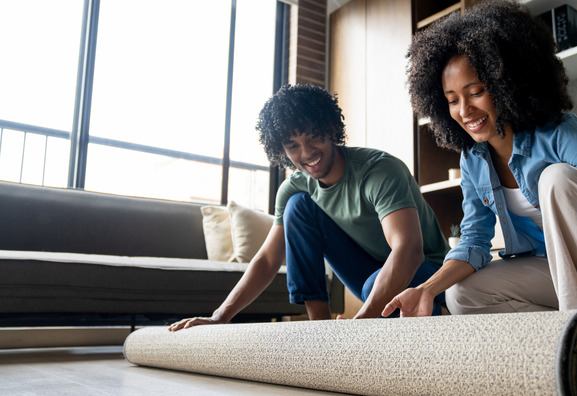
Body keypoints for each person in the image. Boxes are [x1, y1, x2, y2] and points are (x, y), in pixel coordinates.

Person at [382, 0, 577, 361]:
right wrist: (427, 290)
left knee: (555, 178)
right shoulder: (473, 158)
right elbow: (474, 242)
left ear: (506, 81)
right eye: (452, 100)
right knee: (463, 295)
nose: (465, 111)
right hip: (568, 277)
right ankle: (564, 349)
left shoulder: (560, 132)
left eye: (475, 92)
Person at [170, 84, 448, 330]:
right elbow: (267, 261)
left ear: (330, 129)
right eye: (293, 145)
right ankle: (321, 329)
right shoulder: (295, 186)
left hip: (429, 268)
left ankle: (424, 315)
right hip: (369, 272)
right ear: (282, 150)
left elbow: (409, 251)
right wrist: (219, 317)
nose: (306, 153)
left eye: (312, 136)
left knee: (372, 288)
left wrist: (361, 321)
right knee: (297, 206)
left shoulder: (379, 170)